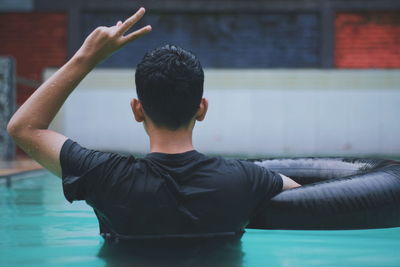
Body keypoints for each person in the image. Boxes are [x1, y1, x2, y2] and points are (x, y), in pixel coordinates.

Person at [7, 8, 300, 243]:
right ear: (202, 109)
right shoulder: (245, 180)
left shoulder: (104, 176)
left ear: (137, 109)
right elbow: (320, 195)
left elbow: (23, 128)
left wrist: (86, 58)